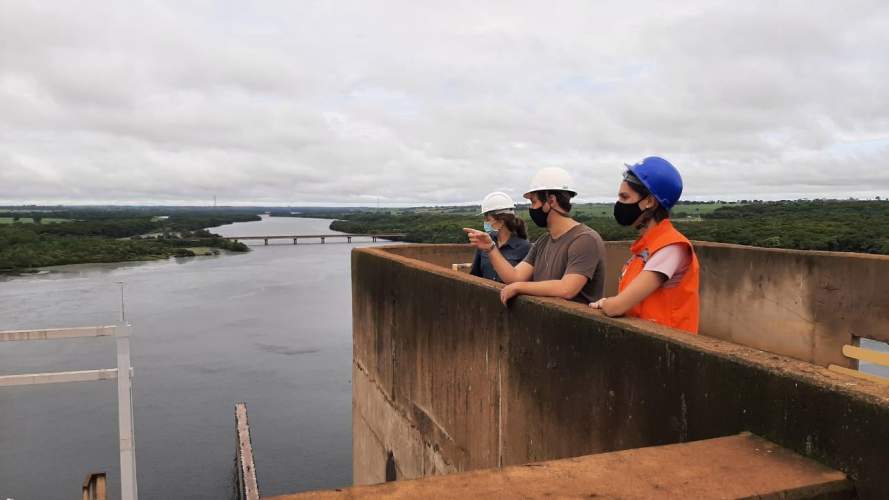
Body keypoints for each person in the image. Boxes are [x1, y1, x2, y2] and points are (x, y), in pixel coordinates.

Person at [589, 156, 700, 334]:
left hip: (669, 348)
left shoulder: (671, 247)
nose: (619, 204)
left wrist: (605, 303)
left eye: (625, 197)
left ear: (649, 201)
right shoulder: (647, 247)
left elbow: (617, 306)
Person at [463, 167, 606, 305]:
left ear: (551, 201)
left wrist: (519, 287)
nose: (531, 208)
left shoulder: (585, 239)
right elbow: (515, 277)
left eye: (534, 202)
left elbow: (567, 289)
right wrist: (490, 248)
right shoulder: (543, 242)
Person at [469, 192, 531, 282]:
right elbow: (476, 275)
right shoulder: (485, 242)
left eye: (488, 219)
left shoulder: (525, 247)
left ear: (501, 221)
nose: (485, 222)